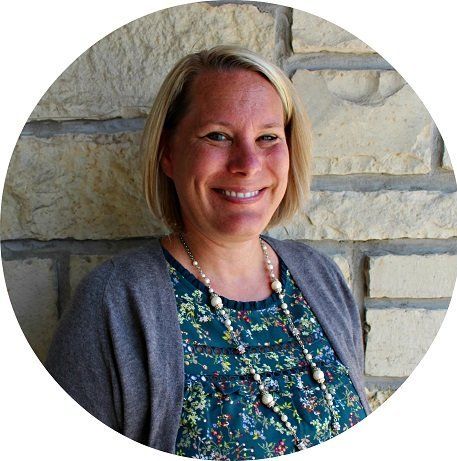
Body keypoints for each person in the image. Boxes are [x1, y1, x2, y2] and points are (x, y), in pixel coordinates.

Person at [46, 45, 370, 459]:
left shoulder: (320, 276)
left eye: (268, 137)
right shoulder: (113, 303)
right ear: (168, 154)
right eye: (218, 136)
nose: (248, 163)